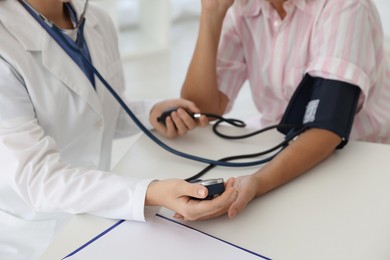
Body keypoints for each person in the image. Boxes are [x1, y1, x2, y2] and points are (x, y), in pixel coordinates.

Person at [0, 0, 238, 259]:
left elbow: (99, 111)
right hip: (36, 234)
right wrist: (151, 192)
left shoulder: (97, 20)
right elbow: (39, 180)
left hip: (100, 209)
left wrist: (149, 112)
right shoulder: (5, 48)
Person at [181, 0, 390, 219]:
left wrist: (258, 182)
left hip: (360, 157)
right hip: (280, 145)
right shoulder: (245, 8)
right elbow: (200, 110)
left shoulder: (346, 6)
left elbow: (326, 126)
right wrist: (210, 13)